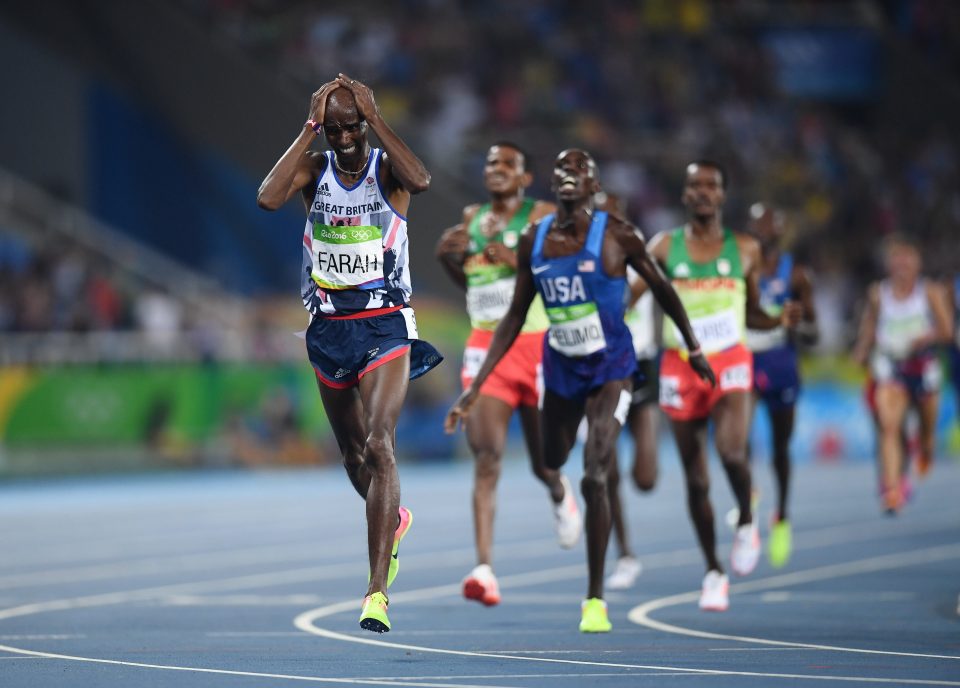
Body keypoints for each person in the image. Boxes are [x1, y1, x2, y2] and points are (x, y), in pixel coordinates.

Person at [446, 149, 714, 633]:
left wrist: (693, 347)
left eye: (579, 171)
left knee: (596, 472)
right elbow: (512, 316)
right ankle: (559, 487)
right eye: (561, 171)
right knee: (551, 457)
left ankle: (594, 598)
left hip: (611, 369)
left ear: (593, 186)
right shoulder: (536, 239)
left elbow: (663, 288)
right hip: (562, 368)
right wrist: (476, 386)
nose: (568, 176)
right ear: (553, 185)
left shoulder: (617, 236)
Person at [257, 74, 443, 633]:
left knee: (380, 446)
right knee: (354, 460)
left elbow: (424, 180)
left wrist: (377, 116)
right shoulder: (313, 171)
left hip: (386, 326)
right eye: (332, 127)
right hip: (329, 331)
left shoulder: (388, 170)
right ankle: (395, 516)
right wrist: (306, 128)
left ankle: (375, 593)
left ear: (363, 122)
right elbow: (267, 198)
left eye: (349, 125)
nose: (341, 136)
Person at [644, 161, 802, 612]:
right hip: (679, 365)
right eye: (694, 184)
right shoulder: (663, 246)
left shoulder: (746, 249)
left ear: (722, 195)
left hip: (732, 358)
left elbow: (751, 311)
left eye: (711, 185)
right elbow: (635, 293)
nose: (702, 192)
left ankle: (748, 519)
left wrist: (776, 320)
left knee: (732, 452)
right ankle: (714, 571)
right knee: (695, 480)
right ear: (684, 195)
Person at [434, 142, 582, 608]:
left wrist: (518, 260)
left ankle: (560, 492)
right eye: (490, 162)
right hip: (484, 348)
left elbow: (566, 269)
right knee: (487, 457)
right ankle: (484, 569)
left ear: (524, 177)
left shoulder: (542, 215)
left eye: (506, 165)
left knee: (544, 462)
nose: (495, 169)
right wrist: (447, 260)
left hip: (537, 346)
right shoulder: (471, 219)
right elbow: (477, 287)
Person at [852, 235, 952, 514]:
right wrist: (861, 351)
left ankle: (926, 449)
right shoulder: (878, 293)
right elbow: (870, 327)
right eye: (897, 260)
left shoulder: (929, 291)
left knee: (926, 433)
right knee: (889, 428)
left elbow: (947, 332)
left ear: (917, 264)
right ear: (889, 265)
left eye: (908, 260)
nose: (902, 266)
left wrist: (925, 338)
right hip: (891, 366)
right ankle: (892, 488)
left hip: (923, 366)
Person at [743, 203, 818, 568]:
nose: (763, 230)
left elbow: (814, 332)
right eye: (757, 223)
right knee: (735, 434)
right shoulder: (739, 268)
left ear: (781, 230)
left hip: (780, 362)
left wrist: (796, 324)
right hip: (745, 359)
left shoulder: (797, 275)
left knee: (780, 448)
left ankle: (782, 515)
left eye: (770, 223)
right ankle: (749, 498)